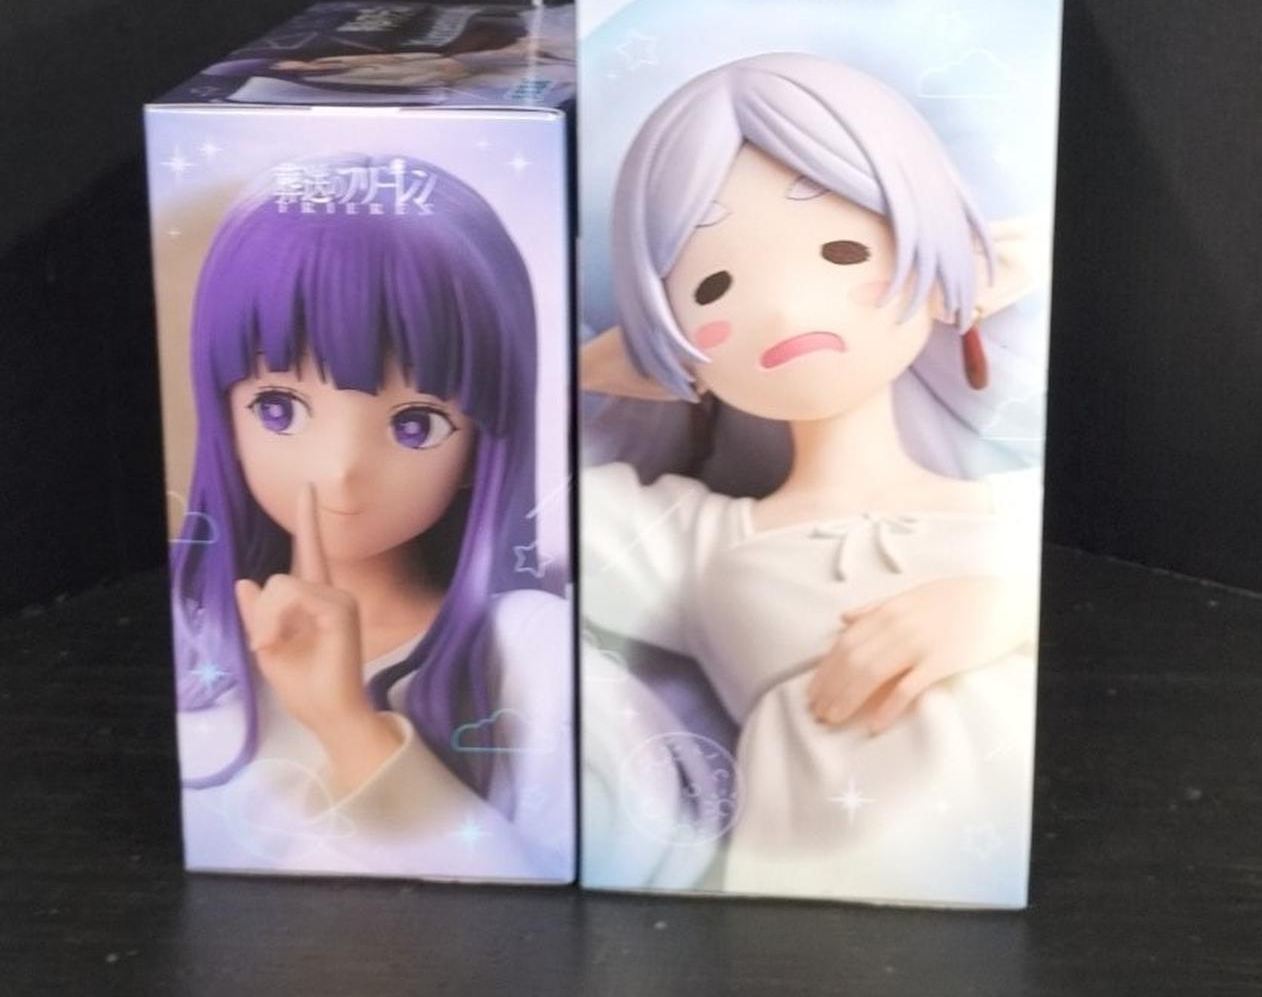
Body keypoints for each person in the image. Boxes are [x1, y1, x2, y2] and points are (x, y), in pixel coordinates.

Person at [581, 53, 1046, 904]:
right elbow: (513, 496)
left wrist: (1007, 606)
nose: (787, 310)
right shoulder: (694, 542)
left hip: (1007, 863)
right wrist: (594, 367)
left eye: (841, 250)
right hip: (805, 900)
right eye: (714, 285)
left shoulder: (1020, 513)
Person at [170, 153, 572, 881]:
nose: (342, 469)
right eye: (278, 408)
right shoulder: (187, 626)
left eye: (415, 424)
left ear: (483, 442)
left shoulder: (524, 650)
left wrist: (348, 725)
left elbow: (533, 888)